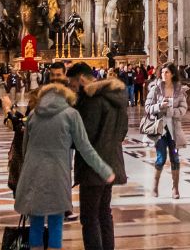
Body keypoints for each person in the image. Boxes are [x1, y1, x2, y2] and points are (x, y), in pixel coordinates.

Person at [14, 81, 115, 250]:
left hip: (32, 174)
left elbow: (24, 149)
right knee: (55, 221)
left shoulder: (33, 115)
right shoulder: (71, 114)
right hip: (57, 174)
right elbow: (85, 148)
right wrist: (104, 170)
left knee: (36, 222)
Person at [68, 62, 128, 250]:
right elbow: (123, 131)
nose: (73, 89)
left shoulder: (91, 99)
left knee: (89, 216)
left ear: (82, 79)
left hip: (94, 166)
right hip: (112, 161)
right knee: (104, 213)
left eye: (73, 84)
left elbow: (85, 135)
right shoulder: (116, 96)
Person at [144, 62, 187, 199]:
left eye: (167, 72)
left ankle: (175, 188)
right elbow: (147, 108)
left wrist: (172, 111)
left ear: (172, 74)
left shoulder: (179, 90)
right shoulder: (155, 89)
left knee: (175, 157)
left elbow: (183, 109)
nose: (164, 74)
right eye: (162, 72)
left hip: (174, 130)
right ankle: (155, 186)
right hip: (160, 129)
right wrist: (159, 106)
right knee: (161, 158)